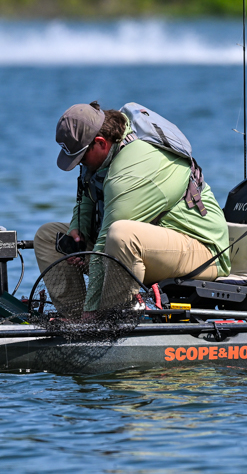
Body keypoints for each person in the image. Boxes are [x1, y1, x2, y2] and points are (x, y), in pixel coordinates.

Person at [34, 102, 230, 317]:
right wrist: (77, 227)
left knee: (121, 235)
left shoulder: (130, 171)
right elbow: (88, 194)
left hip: (204, 252)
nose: (80, 164)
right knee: (48, 236)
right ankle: (73, 319)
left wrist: (92, 313)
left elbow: (104, 248)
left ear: (100, 143)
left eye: (81, 158)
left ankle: (105, 321)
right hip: (148, 248)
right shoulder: (106, 154)